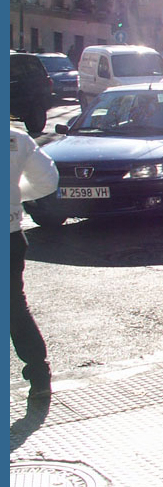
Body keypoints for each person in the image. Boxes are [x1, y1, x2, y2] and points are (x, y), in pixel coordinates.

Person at [10, 126, 59, 400]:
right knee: (14, 306)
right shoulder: (15, 137)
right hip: (10, 234)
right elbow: (46, 180)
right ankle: (39, 374)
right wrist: (14, 197)